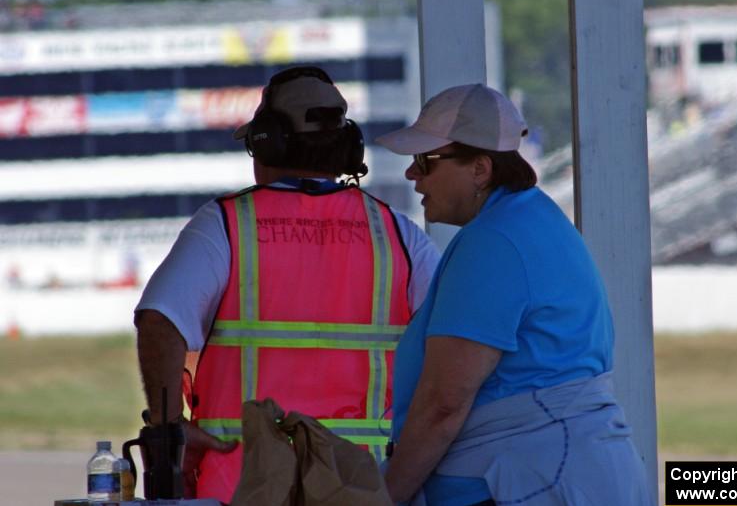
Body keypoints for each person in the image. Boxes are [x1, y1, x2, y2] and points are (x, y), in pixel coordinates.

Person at [134, 66, 440, 504]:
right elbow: (452, 348)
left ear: (266, 141)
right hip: (360, 487)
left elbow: (160, 321)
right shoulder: (400, 235)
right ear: (347, 148)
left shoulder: (224, 226)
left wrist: (166, 428)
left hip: (243, 487)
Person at [376, 84, 652, 505]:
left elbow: (442, 405)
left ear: (480, 169)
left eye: (425, 161)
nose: (412, 174)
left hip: (535, 482)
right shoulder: (525, 220)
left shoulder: (495, 242)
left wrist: (386, 496)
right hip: (558, 474)